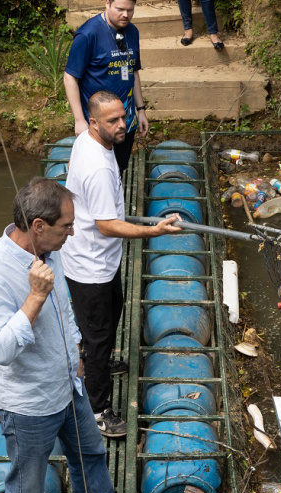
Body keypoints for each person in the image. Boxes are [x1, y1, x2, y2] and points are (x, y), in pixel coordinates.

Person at [0, 177, 154, 493]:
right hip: (27, 401)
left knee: (90, 452)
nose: (73, 233)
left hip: (65, 382)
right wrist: (35, 296)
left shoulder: (47, 253)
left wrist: (76, 352)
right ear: (38, 226)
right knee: (26, 491)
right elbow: (0, 349)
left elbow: (65, 306)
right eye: (66, 226)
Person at [61, 90, 182, 438]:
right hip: (90, 265)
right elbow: (107, 224)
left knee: (114, 311)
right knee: (97, 339)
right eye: (112, 121)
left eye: (123, 117)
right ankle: (98, 411)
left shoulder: (89, 139)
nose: (122, 125)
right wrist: (153, 231)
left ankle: (102, 361)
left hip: (101, 259)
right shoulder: (98, 166)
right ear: (94, 121)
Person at [64, 0, 147, 173]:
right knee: (95, 171)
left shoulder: (133, 31)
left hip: (125, 121)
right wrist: (79, 120)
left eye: (130, 10)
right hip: (98, 124)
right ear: (107, 3)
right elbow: (70, 77)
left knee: (119, 168)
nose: (125, 15)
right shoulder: (88, 34)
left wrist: (141, 110)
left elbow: (133, 72)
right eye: (120, 9)